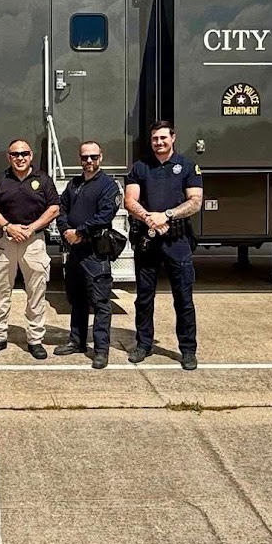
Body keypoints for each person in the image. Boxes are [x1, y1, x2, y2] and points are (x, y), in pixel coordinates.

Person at [124, 120, 203, 370]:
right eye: (155, 139)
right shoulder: (140, 167)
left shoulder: (188, 166)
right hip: (148, 239)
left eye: (163, 138)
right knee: (144, 298)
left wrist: (166, 215)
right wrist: (150, 218)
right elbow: (129, 200)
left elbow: (195, 201)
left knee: (183, 298)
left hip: (177, 241)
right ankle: (143, 344)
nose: (159, 143)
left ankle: (188, 350)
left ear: (173, 138)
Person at [0, 138, 60, 359]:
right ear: (9, 157)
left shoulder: (43, 180)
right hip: (6, 241)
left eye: (24, 154)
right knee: (0, 291)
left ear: (31, 156)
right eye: (15, 154)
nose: (20, 158)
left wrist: (31, 228)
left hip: (33, 242)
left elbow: (54, 207)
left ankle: (35, 339)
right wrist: (9, 227)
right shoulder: (1, 179)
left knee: (36, 292)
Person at [55, 141, 120, 369]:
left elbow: (105, 215)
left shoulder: (108, 186)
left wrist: (80, 232)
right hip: (74, 251)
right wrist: (65, 231)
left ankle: (101, 350)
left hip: (95, 252)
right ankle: (77, 341)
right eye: (84, 158)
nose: (89, 161)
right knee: (77, 299)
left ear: (100, 157)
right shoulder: (74, 184)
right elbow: (61, 209)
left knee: (101, 302)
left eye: (93, 157)